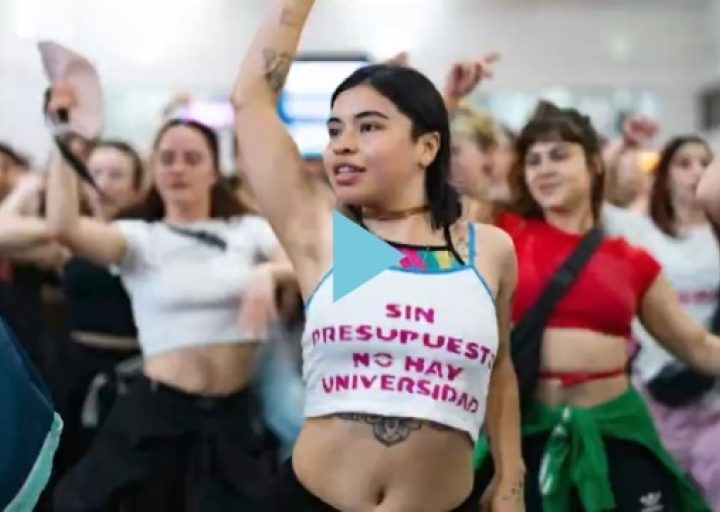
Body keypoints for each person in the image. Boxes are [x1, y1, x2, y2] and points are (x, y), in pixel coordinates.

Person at [232, 1, 524, 511]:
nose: (343, 145)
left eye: (367, 127)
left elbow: (499, 368)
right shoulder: (325, 240)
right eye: (333, 130)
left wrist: (510, 475)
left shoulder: (488, 250)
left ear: (428, 147)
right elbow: (253, 100)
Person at [46, 87, 288, 509]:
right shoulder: (141, 239)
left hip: (232, 419)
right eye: (167, 159)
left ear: (215, 171)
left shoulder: (247, 231)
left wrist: (269, 272)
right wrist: (66, 143)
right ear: (153, 171)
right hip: (158, 415)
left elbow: (309, 260)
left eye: (192, 159)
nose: (179, 169)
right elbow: (64, 226)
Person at [473, 102, 719, 511]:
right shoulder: (506, 235)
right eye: (533, 160)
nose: (544, 169)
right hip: (527, 433)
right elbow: (446, 184)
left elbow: (695, 346)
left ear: (593, 164)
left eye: (558, 155)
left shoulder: (633, 260)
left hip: (615, 431)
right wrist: (445, 97)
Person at [603, 135, 720, 509]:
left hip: (713, 400)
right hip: (654, 394)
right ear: (665, 175)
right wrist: (623, 145)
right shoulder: (639, 231)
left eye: (704, 163)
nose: (695, 173)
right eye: (683, 164)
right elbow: (592, 200)